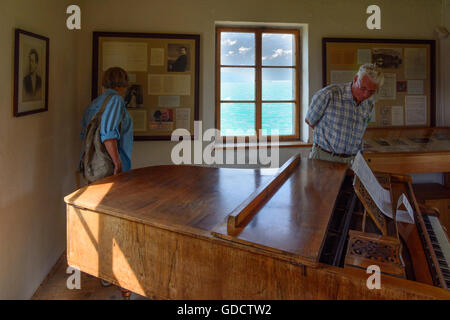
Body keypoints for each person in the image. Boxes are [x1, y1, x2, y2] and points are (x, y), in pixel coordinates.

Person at [305, 63, 384, 164]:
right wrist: (330, 135)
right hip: (324, 158)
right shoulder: (329, 94)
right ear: (355, 79)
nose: (366, 94)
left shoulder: (369, 103)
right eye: (363, 88)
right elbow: (309, 120)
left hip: (351, 161)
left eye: (371, 91)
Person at [80, 67, 133, 177]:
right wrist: (117, 163)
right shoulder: (116, 100)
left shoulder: (96, 102)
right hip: (109, 165)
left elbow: (84, 134)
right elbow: (108, 135)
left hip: (94, 165)